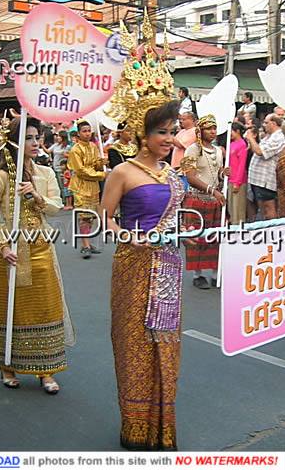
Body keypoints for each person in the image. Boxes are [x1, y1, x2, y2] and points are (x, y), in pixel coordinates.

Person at [101, 25, 185, 448]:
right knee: (135, 341)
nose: (169, 140)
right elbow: (103, 219)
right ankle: (134, 427)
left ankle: (162, 426)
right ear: (141, 133)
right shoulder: (123, 171)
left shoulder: (172, 172)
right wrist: (127, 237)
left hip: (168, 265)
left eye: (173, 131)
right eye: (162, 132)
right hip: (134, 267)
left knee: (165, 342)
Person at [0, 117, 74, 393]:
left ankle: (46, 370)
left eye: (37, 137)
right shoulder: (1, 176)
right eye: (29, 138)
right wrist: (3, 246)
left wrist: (37, 196)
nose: (35, 143)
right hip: (12, 252)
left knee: (46, 306)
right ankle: (7, 365)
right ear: (14, 142)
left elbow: (56, 207)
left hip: (41, 248)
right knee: (12, 309)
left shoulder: (45, 173)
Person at [180, 114, 227, 289]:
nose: (213, 132)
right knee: (196, 236)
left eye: (214, 128)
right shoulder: (191, 150)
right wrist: (212, 191)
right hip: (197, 200)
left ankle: (215, 274)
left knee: (215, 237)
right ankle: (197, 274)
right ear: (200, 131)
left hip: (215, 200)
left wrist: (223, 174)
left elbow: (215, 173)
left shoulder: (218, 151)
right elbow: (190, 177)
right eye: (209, 129)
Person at [67, 119, 106, 258]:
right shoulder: (75, 150)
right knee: (84, 216)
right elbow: (81, 170)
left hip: (93, 186)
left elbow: (95, 165)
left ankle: (88, 243)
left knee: (91, 217)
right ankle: (85, 245)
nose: (87, 133)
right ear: (78, 133)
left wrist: (101, 163)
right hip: (81, 185)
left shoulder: (93, 146)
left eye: (89, 131)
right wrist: (101, 175)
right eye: (84, 131)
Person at [246, 114, 285, 220]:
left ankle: (272, 228)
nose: (263, 125)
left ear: (273, 123)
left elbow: (260, 152)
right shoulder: (269, 136)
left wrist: (250, 138)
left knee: (268, 210)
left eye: (266, 122)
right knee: (263, 210)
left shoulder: (278, 138)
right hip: (259, 180)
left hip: (265, 181)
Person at [227, 122, 248, 224]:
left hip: (238, 180)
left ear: (237, 131)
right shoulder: (231, 144)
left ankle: (239, 226)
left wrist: (237, 182)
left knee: (238, 207)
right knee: (231, 207)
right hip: (230, 179)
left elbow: (241, 165)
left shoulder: (242, 144)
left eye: (231, 131)